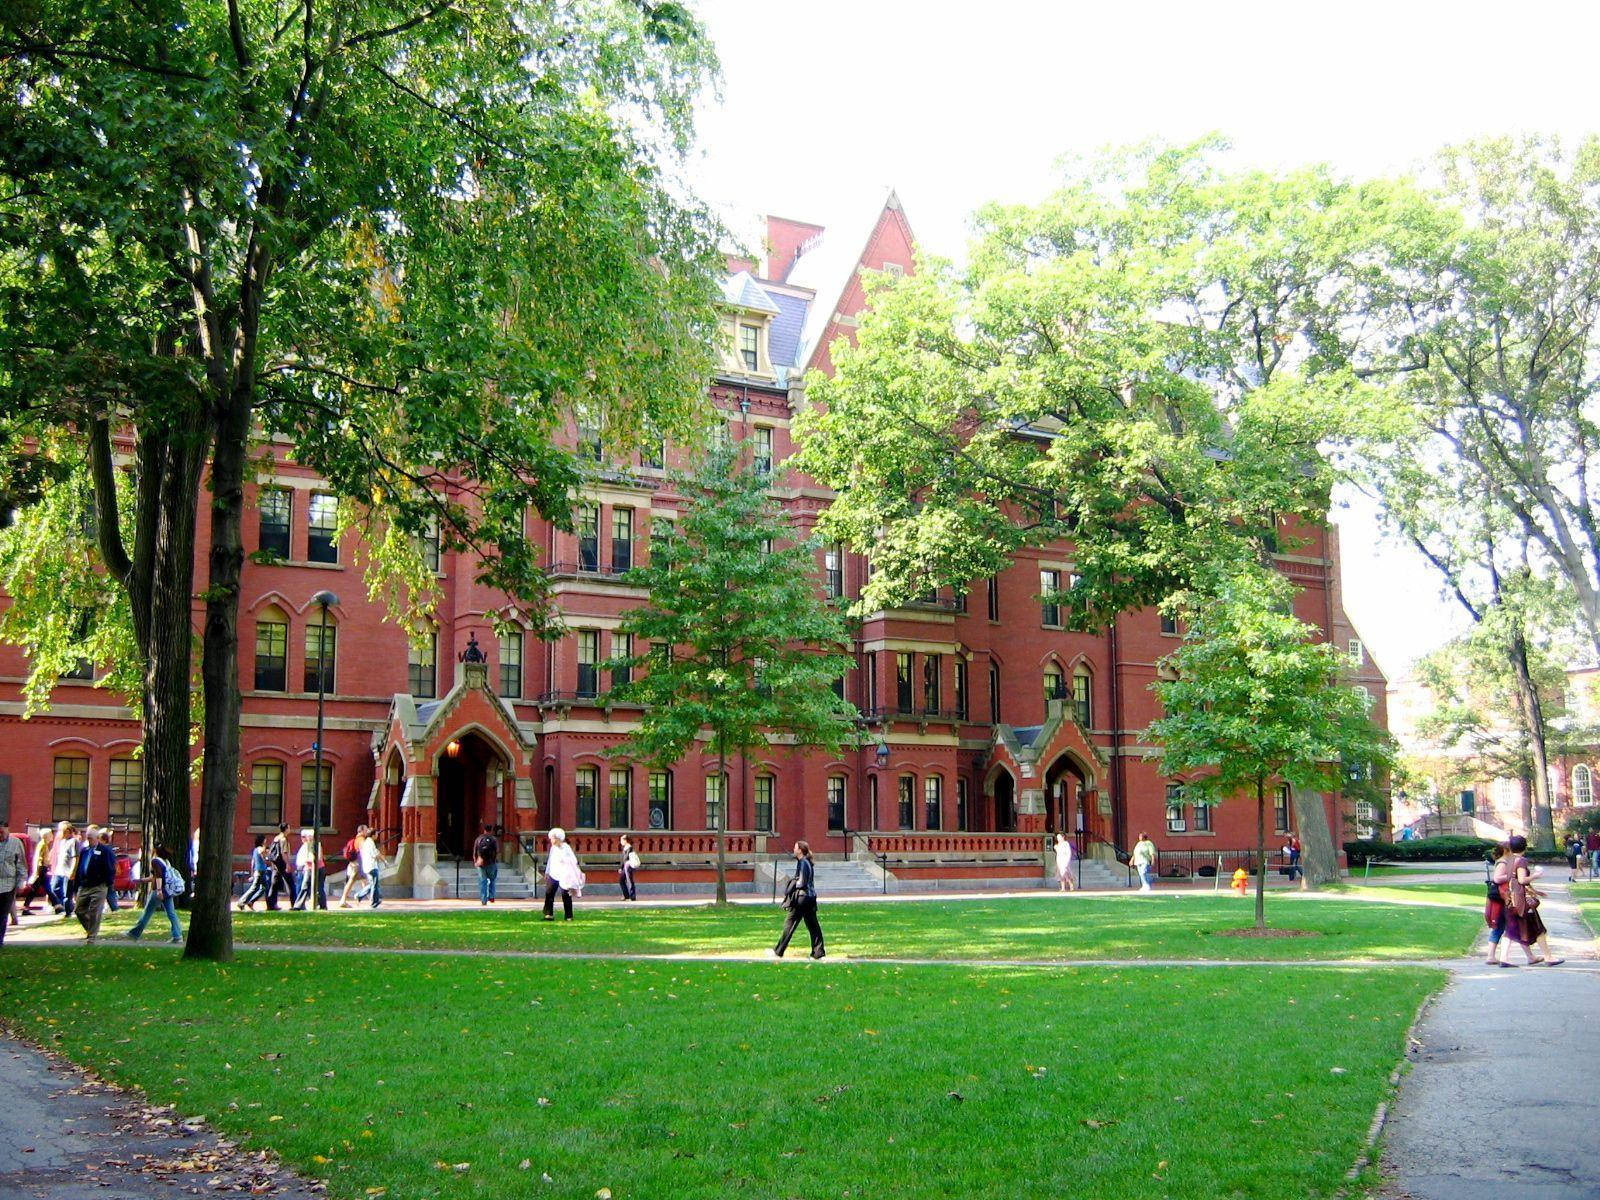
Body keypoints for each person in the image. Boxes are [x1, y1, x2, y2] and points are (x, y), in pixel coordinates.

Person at [1502, 834, 1563, 966]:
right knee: (1538, 928)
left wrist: (1535, 891)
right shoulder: (1521, 861)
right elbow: (1522, 880)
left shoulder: (1507, 860)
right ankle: (1548, 957)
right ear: (1524, 847)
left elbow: (1513, 880)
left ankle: (1504, 957)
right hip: (1522, 901)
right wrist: (1536, 875)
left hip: (1510, 898)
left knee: (1511, 929)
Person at [772, 840, 825, 959]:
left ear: (800, 850)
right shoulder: (807, 862)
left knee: (790, 924)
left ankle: (778, 951)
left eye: (795, 848)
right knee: (813, 926)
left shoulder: (803, 862)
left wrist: (793, 883)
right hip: (811, 898)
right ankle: (818, 952)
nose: (793, 850)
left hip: (802, 898)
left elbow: (801, 883)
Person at [125, 843, 184, 943]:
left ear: (155, 850)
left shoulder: (155, 861)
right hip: (168, 891)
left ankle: (134, 933)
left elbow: (159, 877)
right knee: (171, 913)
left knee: (147, 912)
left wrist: (159, 890)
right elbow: (155, 877)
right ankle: (177, 935)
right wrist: (142, 880)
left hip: (158, 890)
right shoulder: (166, 862)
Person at [74, 824, 117, 943]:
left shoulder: (105, 851)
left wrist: (108, 883)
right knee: (79, 910)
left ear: (97, 838)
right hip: (84, 885)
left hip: (99, 885)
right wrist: (76, 885)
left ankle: (92, 936)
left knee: (95, 910)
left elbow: (110, 868)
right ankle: (90, 929)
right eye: (87, 838)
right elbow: (80, 868)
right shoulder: (84, 850)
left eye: (90, 838)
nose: (88, 840)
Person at [542, 828, 584, 921]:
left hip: (564, 875)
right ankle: (549, 914)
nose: (551, 840)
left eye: (553, 838)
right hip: (553, 874)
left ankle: (569, 916)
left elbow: (573, 861)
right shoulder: (553, 848)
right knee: (549, 893)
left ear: (558, 839)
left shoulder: (566, 848)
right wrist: (547, 872)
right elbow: (550, 860)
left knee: (566, 895)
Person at [1484, 843, 1515, 967]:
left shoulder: (1501, 861)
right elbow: (1497, 879)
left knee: (1499, 927)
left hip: (1499, 897)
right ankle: (1493, 956)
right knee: (1504, 925)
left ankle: (1491, 955)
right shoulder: (1503, 863)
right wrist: (1511, 875)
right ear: (1507, 850)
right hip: (1501, 898)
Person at [0, 821, 24, 946]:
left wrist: (21, 883)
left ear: (7, 829)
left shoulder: (16, 843)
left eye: (2, 832)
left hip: (8, 885)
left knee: (3, 914)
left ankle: (0, 940)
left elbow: (21, 865)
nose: (0, 835)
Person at [21, 825, 53, 916]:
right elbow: (38, 858)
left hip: (43, 868)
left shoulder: (44, 844)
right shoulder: (42, 844)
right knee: (45, 888)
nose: (52, 836)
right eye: (50, 834)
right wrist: (38, 870)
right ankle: (58, 906)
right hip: (41, 869)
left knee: (38, 889)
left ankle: (25, 907)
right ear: (46, 835)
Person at [48, 821, 79, 918]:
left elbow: (75, 858)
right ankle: (60, 906)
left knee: (67, 894)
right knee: (53, 888)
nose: (59, 833)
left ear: (68, 831)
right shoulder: (61, 842)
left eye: (61, 831)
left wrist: (72, 872)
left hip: (67, 872)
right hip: (59, 871)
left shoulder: (73, 842)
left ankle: (68, 912)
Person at [237, 834, 272, 911]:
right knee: (254, 888)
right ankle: (241, 902)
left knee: (264, 888)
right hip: (260, 871)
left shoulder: (255, 850)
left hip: (259, 871)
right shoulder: (260, 848)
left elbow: (253, 862)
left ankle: (251, 902)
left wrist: (252, 872)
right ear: (262, 841)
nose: (266, 841)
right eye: (265, 839)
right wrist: (266, 854)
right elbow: (264, 857)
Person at [265, 823, 292, 910]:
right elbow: (284, 853)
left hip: (275, 863)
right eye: (289, 827)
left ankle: (271, 904)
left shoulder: (276, 838)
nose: (290, 829)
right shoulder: (283, 839)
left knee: (274, 884)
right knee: (291, 884)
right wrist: (287, 864)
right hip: (282, 864)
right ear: (286, 829)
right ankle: (296, 904)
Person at [339, 827, 367, 908]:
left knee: (364, 881)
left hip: (353, 863)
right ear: (361, 831)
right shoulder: (361, 840)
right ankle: (343, 900)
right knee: (351, 882)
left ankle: (371, 900)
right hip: (358, 864)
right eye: (365, 830)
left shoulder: (355, 839)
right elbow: (363, 851)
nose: (367, 831)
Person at [473, 823, 500, 906]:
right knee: (492, 880)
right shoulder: (493, 839)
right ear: (491, 830)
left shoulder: (479, 839)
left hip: (481, 863)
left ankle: (483, 899)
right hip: (491, 863)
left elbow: (475, 851)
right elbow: (497, 851)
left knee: (483, 881)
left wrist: (476, 861)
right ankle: (491, 896)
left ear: (484, 830)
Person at [358, 827, 383, 908]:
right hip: (372, 866)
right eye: (376, 834)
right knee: (374, 884)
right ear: (373, 835)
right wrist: (378, 855)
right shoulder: (370, 843)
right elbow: (374, 854)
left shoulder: (366, 842)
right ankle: (374, 901)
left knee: (372, 884)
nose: (377, 835)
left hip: (367, 866)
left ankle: (359, 895)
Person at [618, 834, 639, 901]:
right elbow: (623, 859)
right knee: (621, 880)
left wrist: (622, 867)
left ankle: (632, 896)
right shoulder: (625, 848)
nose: (620, 842)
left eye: (621, 840)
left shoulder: (629, 848)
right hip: (625, 866)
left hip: (628, 865)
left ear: (625, 840)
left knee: (629, 880)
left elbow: (626, 858)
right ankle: (626, 895)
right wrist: (621, 868)